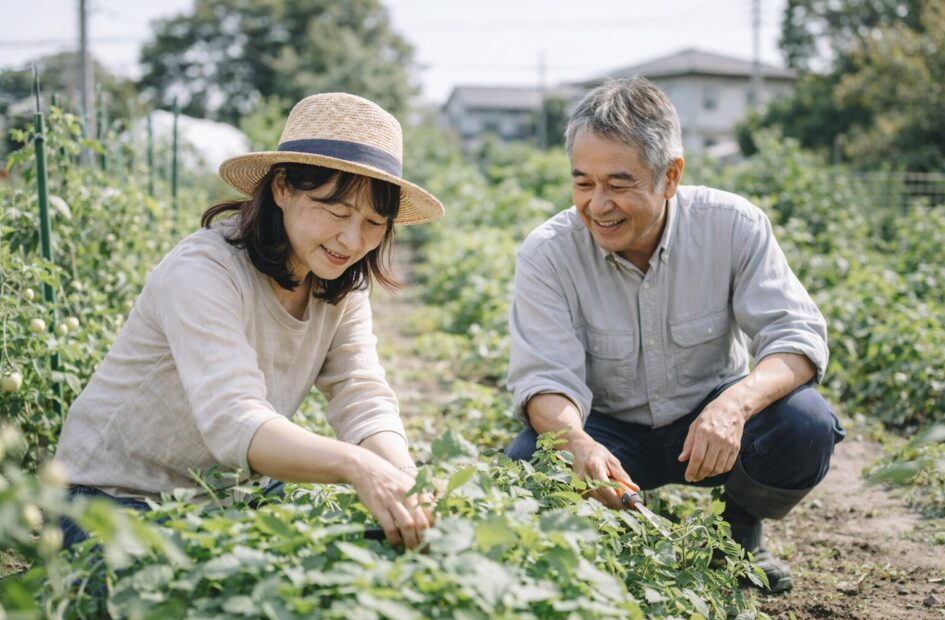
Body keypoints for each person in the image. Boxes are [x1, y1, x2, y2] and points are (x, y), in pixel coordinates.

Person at [55, 93, 444, 551]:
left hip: (233, 494)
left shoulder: (340, 282)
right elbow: (234, 419)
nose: (352, 239)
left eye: (374, 222)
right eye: (336, 211)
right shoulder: (204, 271)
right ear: (282, 187)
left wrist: (402, 476)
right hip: (115, 497)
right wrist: (356, 466)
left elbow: (361, 395)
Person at [504, 77, 844, 593]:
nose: (598, 205)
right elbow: (546, 379)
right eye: (583, 183)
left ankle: (739, 533)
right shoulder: (549, 254)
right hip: (609, 427)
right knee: (529, 462)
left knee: (805, 424)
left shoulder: (732, 226)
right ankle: (608, 537)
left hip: (707, 425)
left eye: (619, 184)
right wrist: (576, 442)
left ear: (670, 176)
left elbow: (795, 338)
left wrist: (735, 406)